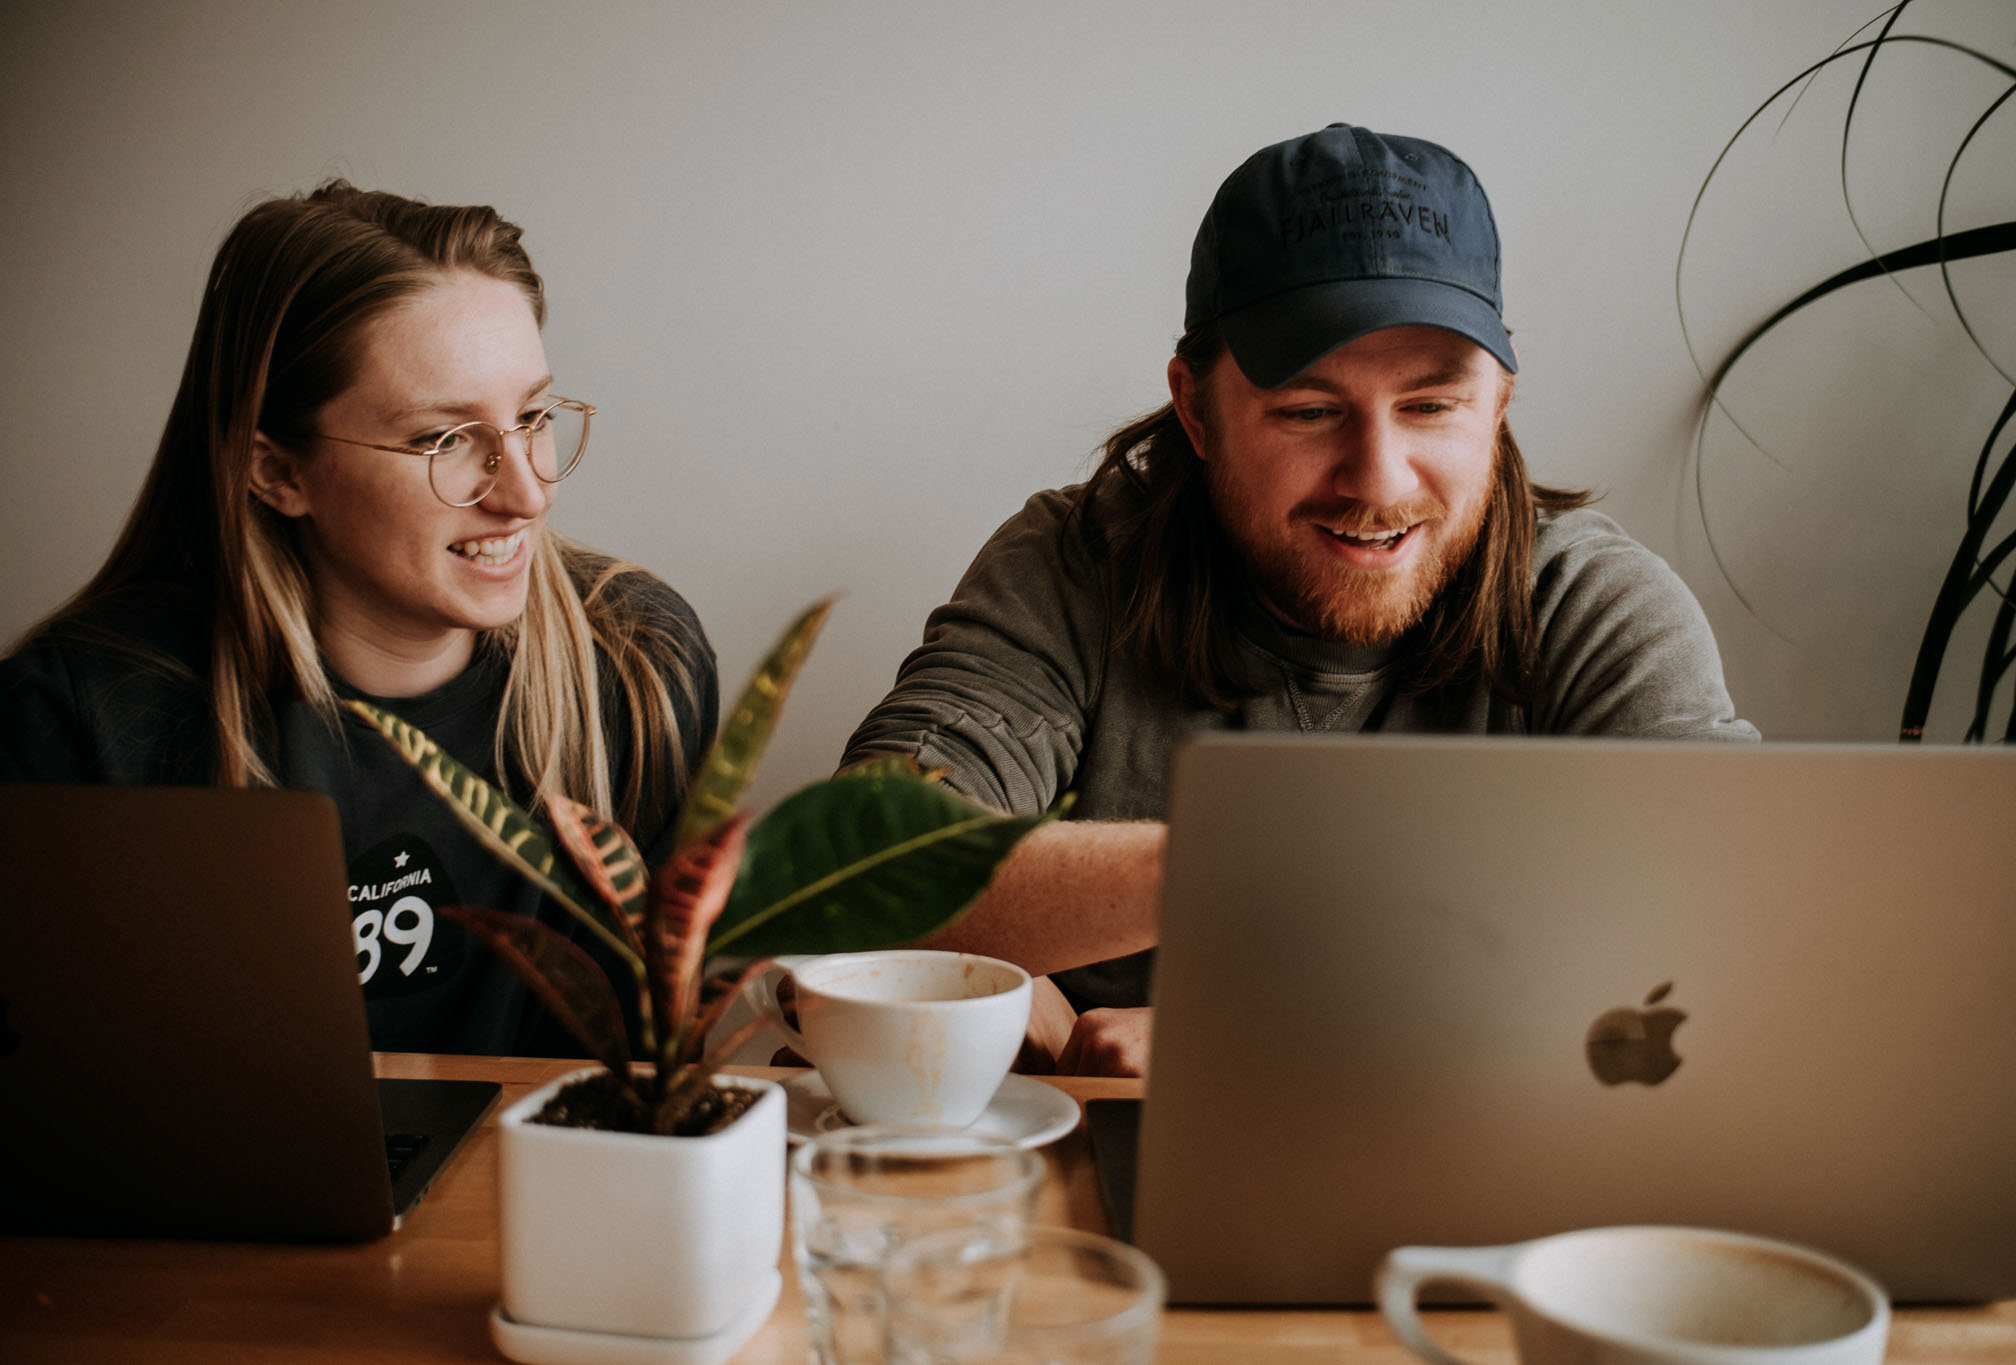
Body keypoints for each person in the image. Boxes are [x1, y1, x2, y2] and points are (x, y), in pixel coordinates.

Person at [843, 123, 1758, 1076]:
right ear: (1196, 410)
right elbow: (861, 861)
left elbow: (1744, 935)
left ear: (1499, 401)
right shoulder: (1076, 566)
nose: (1376, 478)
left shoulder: (1594, 606)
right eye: (1310, 411)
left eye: (1432, 406)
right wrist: (1243, 864)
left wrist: (1270, 1038)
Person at [0, 181, 717, 1056]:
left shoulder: (635, 664)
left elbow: (658, 1056)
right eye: (443, 439)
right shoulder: (81, 718)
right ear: (278, 472)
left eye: (531, 417)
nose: (528, 492)